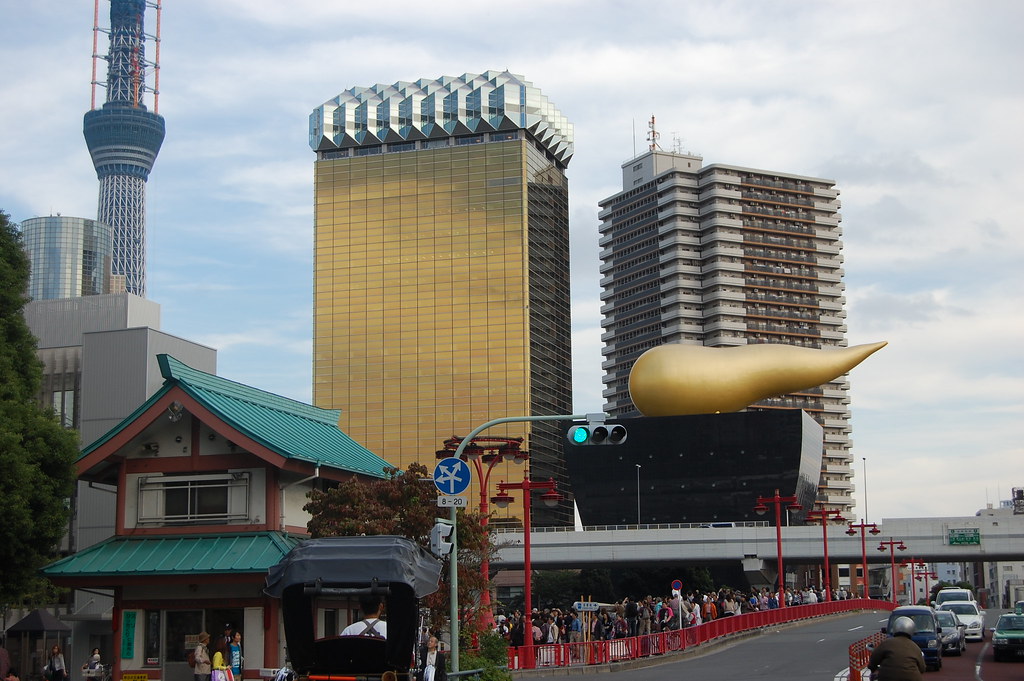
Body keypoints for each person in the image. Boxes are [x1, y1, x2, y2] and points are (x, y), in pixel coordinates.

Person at [867, 616, 925, 681]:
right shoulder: (915, 647)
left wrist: (872, 668)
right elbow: (922, 668)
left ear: (895, 628)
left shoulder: (886, 643)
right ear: (911, 630)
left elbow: (874, 660)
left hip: (887, 678)